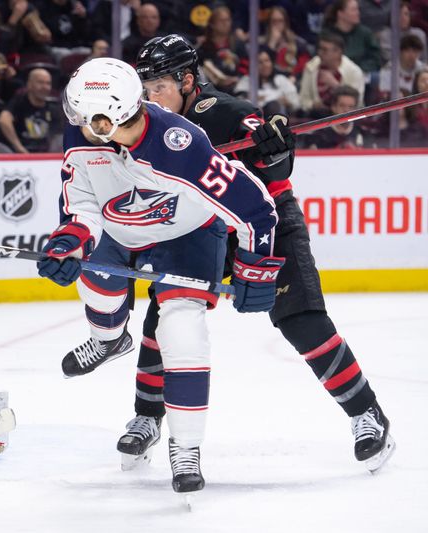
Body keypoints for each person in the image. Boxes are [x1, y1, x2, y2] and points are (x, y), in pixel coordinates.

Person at [125, 35, 393, 473]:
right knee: (166, 317)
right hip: (202, 226)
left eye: (159, 87)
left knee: (301, 320)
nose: (150, 98)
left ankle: (367, 413)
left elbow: (275, 162)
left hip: (265, 221)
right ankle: (148, 416)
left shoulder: (225, 111)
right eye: (145, 88)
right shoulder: (149, 123)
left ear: (188, 80)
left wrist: (274, 147)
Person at [37, 57, 282, 493]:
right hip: (120, 228)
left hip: (186, 233)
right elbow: (83, 205)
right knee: (96, 282)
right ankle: (110, 339)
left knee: (182, 330)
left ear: (107, 117)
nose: (73, 122)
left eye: (82, 115)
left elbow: (256, 209)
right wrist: (68, 241)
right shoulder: (82, 132)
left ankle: (186, 446)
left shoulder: (180, 144)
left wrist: (254, 268)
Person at [299, 32, 365, 118]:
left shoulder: (354, 71)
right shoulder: (311, 66)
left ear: (338, 52)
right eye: (320, 48)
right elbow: (303, 99)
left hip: (347, 117)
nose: (320, 53)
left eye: (325, 50)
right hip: (316, 115)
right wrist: (313, 105)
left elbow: (357, 103)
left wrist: (335, 85)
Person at [0, 67, 62, 153]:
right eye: (40, 82)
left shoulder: (53, 108)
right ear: (29, 84)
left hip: (46, 156)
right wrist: (19, 148)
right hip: (20, 154)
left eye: (48, 83)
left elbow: (58, 136)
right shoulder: (19, 102)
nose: (45, 87)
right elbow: (3, 120)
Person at [234, 47, 300, 116]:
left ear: (271, 63)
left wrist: (288, 103)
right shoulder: (246, 81)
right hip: (254, 120)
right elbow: (238, 102)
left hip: (278, 119)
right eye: (260, 62)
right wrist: (250, 97)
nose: (264, 65)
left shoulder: (281, 80)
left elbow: (296, 104)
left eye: (267, 61)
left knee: (274, 106)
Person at [299, 85, 366, 149]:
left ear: (355, 109)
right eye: (342, 105)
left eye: (350, 107)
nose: (346, 110)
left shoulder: (362, 131)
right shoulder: (319, 135)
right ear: (333, 107)